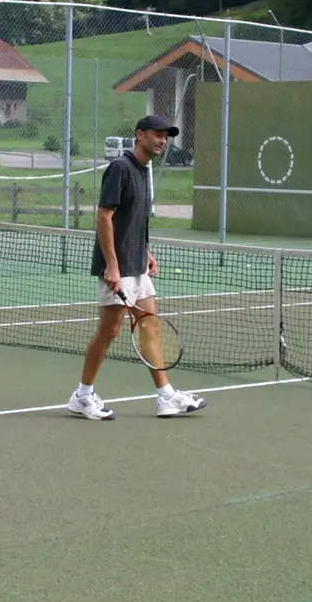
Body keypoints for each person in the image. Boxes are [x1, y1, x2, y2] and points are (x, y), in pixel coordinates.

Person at [67, 114, 208, 420]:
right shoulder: (121, 168)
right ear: (139, 135)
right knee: (109, 331)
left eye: (166, 136)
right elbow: (105, 216)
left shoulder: (145, 171)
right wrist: (112, 267)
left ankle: (166, 397)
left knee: (149, 327)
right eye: (157, 134)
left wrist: (146, 251)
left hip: (137, 265)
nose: (163, 140)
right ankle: (82, 395)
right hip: (116, 267)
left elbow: (136, 218)